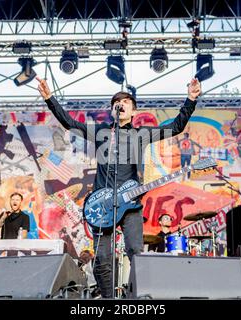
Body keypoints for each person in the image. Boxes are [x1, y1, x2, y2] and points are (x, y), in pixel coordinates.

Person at [37, 76, 201, 298]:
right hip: (103, 205)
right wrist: (49, 98)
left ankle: (136, 299)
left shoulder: (141, 134)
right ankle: (108, 300)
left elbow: (175, 127)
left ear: (133, 111)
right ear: (113, 108)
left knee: (135, 252)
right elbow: (70, 123)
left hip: (131, 205)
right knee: (102, 259)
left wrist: (191, 99)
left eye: (126, 102)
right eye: (117, 101)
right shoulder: (102, 132)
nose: (121, 104)